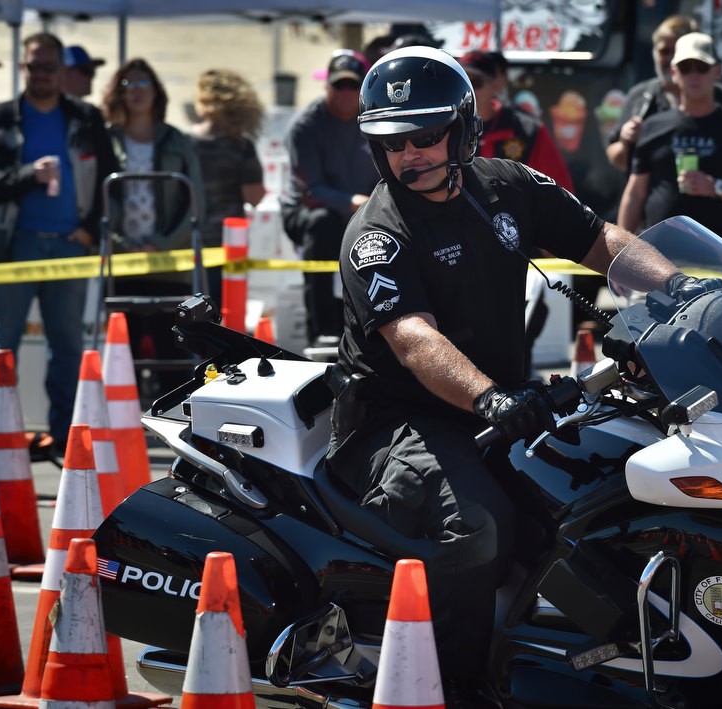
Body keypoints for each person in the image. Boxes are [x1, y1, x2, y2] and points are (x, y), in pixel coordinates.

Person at [326, 46, 679, 703]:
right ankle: (455, 685)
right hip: (399, 424)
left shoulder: (505, 187)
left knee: (599, 499)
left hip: (497, 413)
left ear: (462, 128)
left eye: (426, 135)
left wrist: (682, 292)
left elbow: (603, 240)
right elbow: (413, 338)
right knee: (477, 524)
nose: (410, 154)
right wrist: (489, 398)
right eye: (392, 141)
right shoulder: (377, 233)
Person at [0, 32, 117, 453]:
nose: (42, 75)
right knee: (2, 346)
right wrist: (28, 175)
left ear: (62, 71)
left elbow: (111, 180)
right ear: (22, 67)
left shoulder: (84, 117)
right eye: (34, 66)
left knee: (66, 346)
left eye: (50, 67)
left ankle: (63, 436)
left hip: (70, 247)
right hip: (14, 247)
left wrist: (91, 229)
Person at [607, 14, 722, 234]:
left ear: (716, 72)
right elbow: (632, 188)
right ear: (675, 71)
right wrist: (622, 250)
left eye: (701, 67)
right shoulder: (645, 104)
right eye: (685, 67)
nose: (694, 76)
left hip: (718, 248)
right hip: (658, 248)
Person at [102, 58, 205, 392]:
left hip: (168, 263)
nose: (135, 92)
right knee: (122, 355)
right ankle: (121, 427)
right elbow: (93, 198)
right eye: (127, 84)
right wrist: (118, 243)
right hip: (121, 263)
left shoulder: (178, 141)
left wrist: (161, 244)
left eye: (143, 83)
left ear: (157, 92)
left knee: (171, 354)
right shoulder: (106, 140)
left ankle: (171, 426)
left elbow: (195, 203)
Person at [280, 49, 379, 348]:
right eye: (340, 85)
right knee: (322, 225)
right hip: (308, 212)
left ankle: (373, 329)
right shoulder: (306, 126)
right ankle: (321, 331)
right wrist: (356, 203)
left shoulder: (374, 120)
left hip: (360, 209)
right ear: (328, 87)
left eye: (353, 85)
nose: (346, 92)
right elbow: (311, 191)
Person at [190, 68, 266, 305]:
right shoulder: (241, 146)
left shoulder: (185, 142)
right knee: (222, 310)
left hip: (187, 238)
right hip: (228, 241)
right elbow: (254, 196)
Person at [458, 50, 574, 192]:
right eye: (463, 83)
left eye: (476, 82)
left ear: (494, 84)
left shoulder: (528, 130)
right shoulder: (447, 127)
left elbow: (559, 191)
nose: (469, 91)